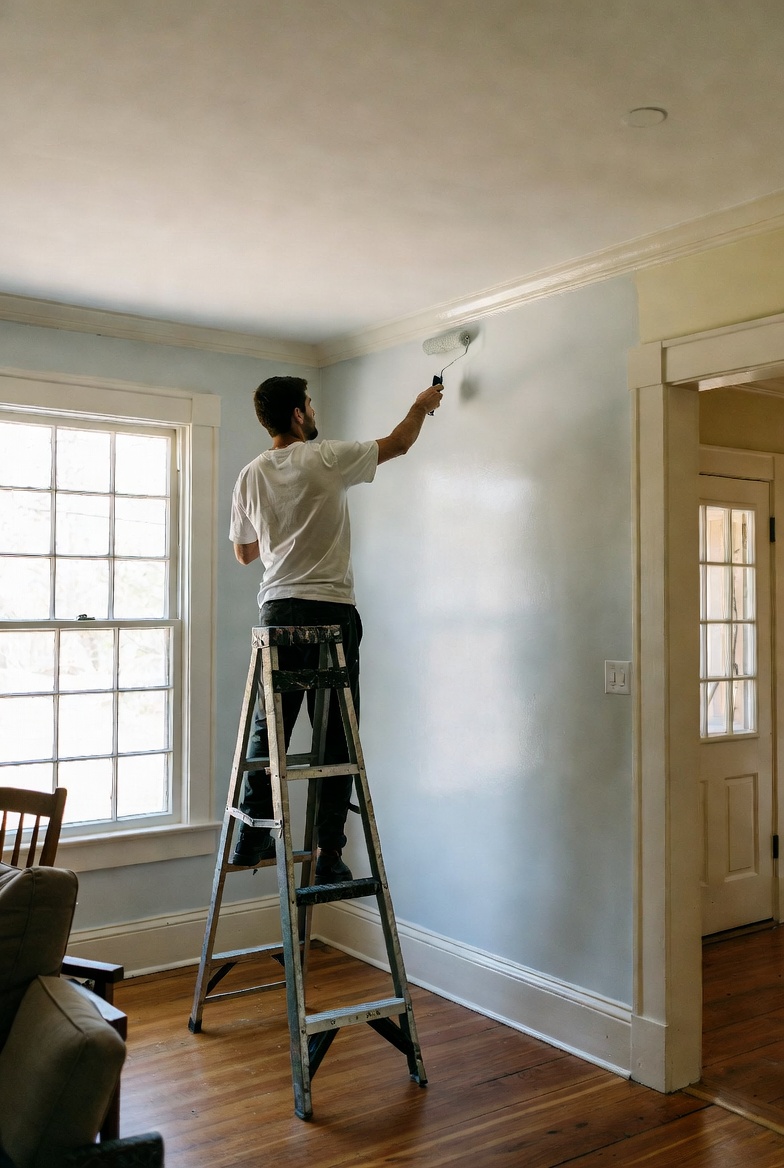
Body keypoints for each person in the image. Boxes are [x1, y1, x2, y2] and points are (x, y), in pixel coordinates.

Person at [229, 374, 443, 880]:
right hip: (328, 614)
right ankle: (328, 855)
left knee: (270, 727)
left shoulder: (250, 475)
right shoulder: (324, 458)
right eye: (309, 403)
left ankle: (252, 835)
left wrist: (283, 528)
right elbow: (400, 443)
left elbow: (243, 553)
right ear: (299, 415)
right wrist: (420, 403)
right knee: (336, 739)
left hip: (277, 613)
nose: (313, 410)